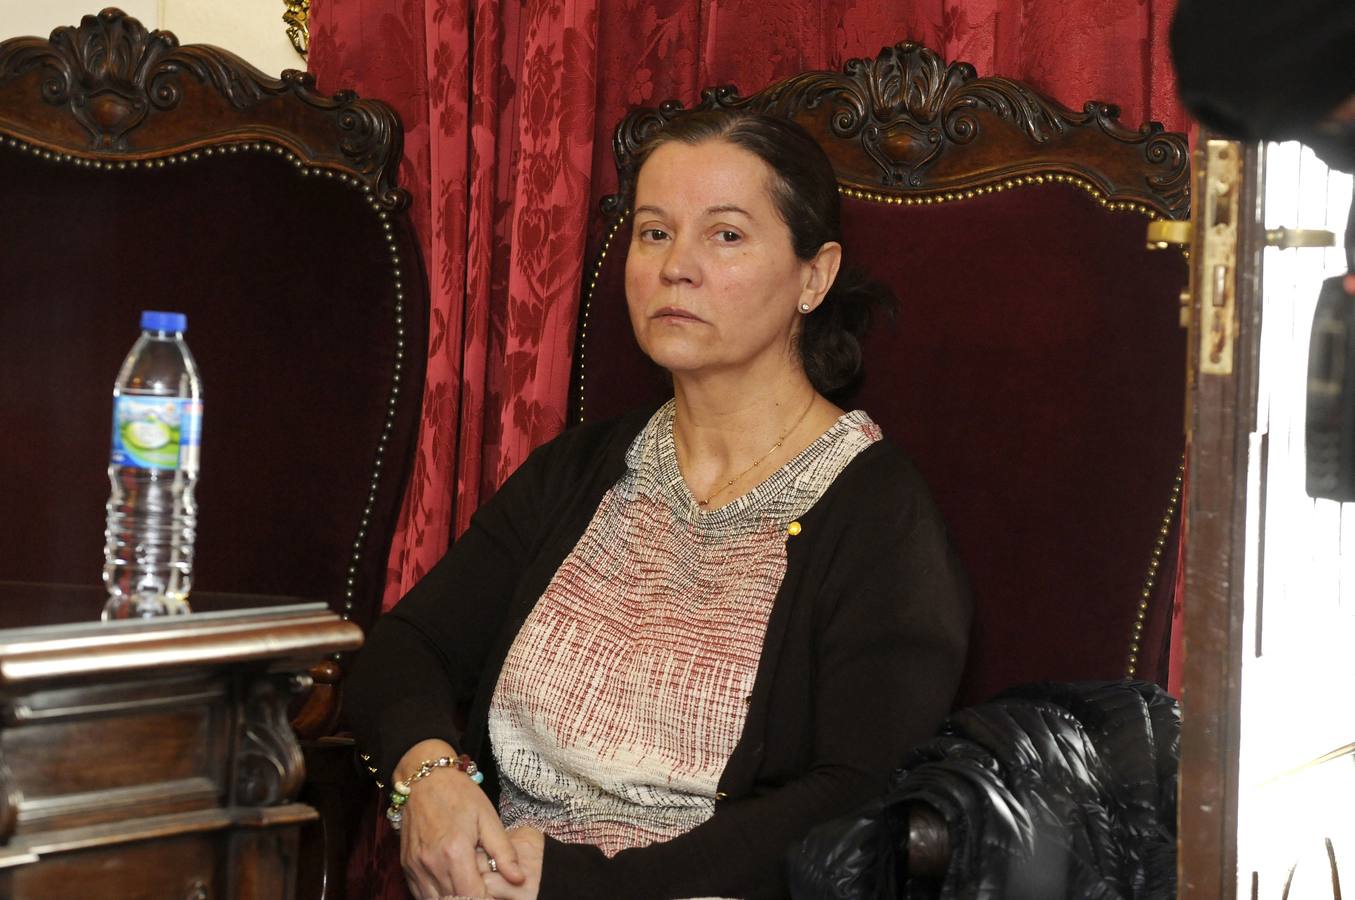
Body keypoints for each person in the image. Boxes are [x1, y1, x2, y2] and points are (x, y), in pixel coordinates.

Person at [345, 108, 972, 900]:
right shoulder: (577, 472)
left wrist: (576, 886)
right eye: (653, 233)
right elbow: (406, 647)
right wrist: (429, 777)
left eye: (726, 235)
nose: (677, 267)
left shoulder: (877, 512)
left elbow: (855, 796)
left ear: (813, 277)